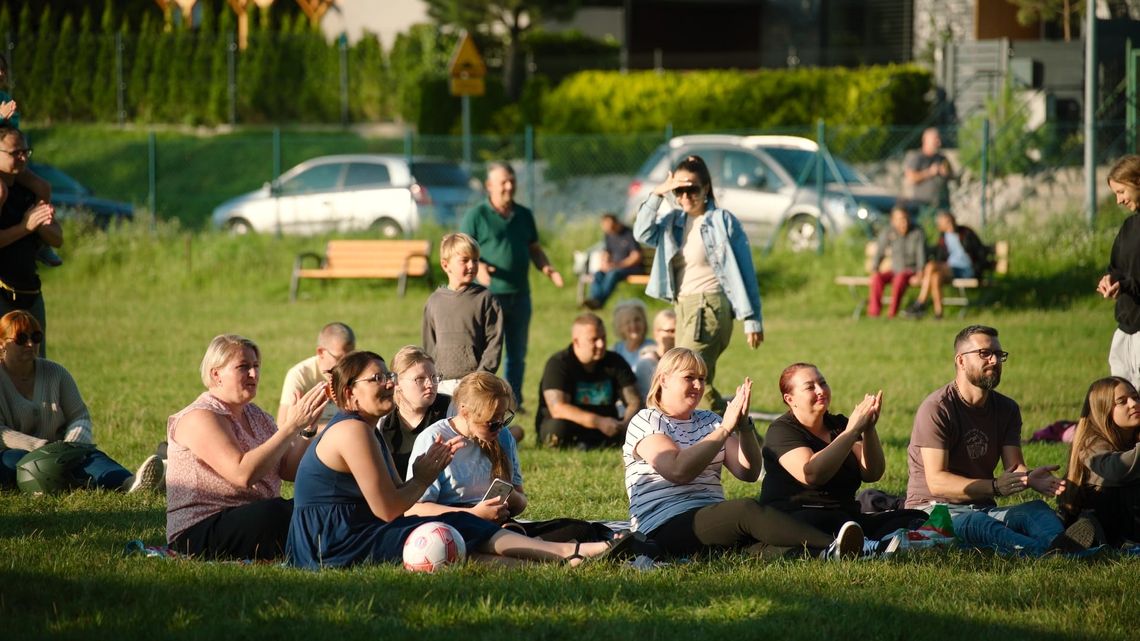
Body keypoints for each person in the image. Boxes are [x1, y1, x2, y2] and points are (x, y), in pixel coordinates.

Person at [285, 351, 619, 569]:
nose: (388, 383)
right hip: (332, 543)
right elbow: (389, 509)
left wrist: (418, 477)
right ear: (349, 394)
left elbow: (395, 500)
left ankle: (558, 561)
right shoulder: (352, 432)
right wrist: (423, 477)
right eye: (376, 379)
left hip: (351, 532)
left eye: (388, 375)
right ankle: (569, 553)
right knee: (454, 526)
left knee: (455, 537)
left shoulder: (368, 430)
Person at [624, 348, 863, 560]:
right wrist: (725, 429)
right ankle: (844, 546)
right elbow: (677, 470)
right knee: (745, 510)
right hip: (664, 525)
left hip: (712, 519)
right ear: (664, 380)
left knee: (760, 545)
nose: (698, 386)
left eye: (702, 379)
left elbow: (747, 472)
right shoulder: (647, 421)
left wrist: (744, 426)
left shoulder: (709, 420)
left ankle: (828, 555)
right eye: (689, 378)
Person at [905, 325, 1101, 555]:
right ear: (960, 361)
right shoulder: (937, 408)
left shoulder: (1006, 408)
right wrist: (995, 487)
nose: (994, 360)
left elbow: (1014, 466)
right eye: (984, 353)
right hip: (935, 513)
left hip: (981, 507)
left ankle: (1065, 548)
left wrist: (1029, 478)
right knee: (980, 525)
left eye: (998, 354)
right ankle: (1061, 552)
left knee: (1035, 511)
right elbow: (937, 482)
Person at [166, 334, 330, 560]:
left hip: (252, 517)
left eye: (256, 366)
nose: (253, 374)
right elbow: (243, 474)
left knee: (316, 503)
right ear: (216, 374)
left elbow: (288, 470)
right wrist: (291, 425)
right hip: (202, 530)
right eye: (243, 367)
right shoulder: (200, 417)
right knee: (283, 512)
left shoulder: (256, 415)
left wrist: (307, 430)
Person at [406, 371, 614, 543]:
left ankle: (540, 546)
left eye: (504, 418)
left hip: (498, 525)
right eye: (491, 422)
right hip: (455, 529)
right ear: (466, 412)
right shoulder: (434, 439)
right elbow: (415, 509)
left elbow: (521, 502)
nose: (500, 426)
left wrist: (510, 500)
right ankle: (543, 549)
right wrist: (475, 514)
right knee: (488, 538)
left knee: (581, 530)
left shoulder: (503, 437)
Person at [633, 155, 763, 411]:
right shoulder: (673, 222)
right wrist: (658, 193)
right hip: (684, 307)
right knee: (699, 379)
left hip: (709, 307)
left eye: (691, 189)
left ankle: (739, 438)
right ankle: (724, 441)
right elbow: (642, 232)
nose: (684, 197)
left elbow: (746, 271)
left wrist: (753, 319)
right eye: (678, 190)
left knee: (684, 375)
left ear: (706, 188)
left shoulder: (722, 221)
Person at [758, 363, 928, 540]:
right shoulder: (781, 430)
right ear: (789, 399)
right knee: (827, 521)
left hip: (846, 517)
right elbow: (811, 474)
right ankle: (865, 543)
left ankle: (867, 540)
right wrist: (852, 432)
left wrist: (869, 429)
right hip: (799, 517)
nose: (820, 390)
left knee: (916, 517)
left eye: (822, 383)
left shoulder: (839, 425)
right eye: (810, 387)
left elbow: (872, 473)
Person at [0, 310, 163, 492]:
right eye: (21, 339)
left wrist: (71, 446)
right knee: (9, 462)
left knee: (91, 458)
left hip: (61, 451)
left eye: (36, 337)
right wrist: (38, 447)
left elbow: (79, 416)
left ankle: (130, 483)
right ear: (1, 344)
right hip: (17, 451)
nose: (31, 344)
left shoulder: (57, 373)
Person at [460, 162, 563, 411]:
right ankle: (480, 400)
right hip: (487, 296)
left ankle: (513, 401)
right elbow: (462, 251)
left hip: (520, 295)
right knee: (487, 352)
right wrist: (479, 267)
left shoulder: (524, 215)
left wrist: (547, 268)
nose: (509, 186)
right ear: (489, 185)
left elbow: (534, 250)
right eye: (503, 182)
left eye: (512, 181)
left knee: (517, 353)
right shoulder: (477, 216)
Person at [537, 313, 641, 449]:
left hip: (607, 427)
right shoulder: (559, 364)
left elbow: (634, 401)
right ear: (576, 341)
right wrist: (598, 422)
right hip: (571, 427)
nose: (601, 344)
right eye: (594, 339)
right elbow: (558, 408)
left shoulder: (615, 362)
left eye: (603, 338)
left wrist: (625, 424)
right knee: (556, 428)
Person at [0, 126, 60, 355]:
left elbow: (58, 238)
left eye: (26, 151)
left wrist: (40, 226)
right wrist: (25, 227)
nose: (23, 157)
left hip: (30, 292)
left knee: (38, 366)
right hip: (3, 293)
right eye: (15, 153)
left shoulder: (30, 190)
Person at [1060, 377, 1140, 546]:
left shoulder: (1134, 435)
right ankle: (1089, 531)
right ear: (1103, 410)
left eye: (1136, 397)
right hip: (1104, 511)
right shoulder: (1090, 443)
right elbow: (1117, 470)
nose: (1133, 404)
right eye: (1122, 401)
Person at [422, 232, 503, 397]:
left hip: (475, 385)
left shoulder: (485, 299)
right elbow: (429, 345)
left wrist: (481, 377)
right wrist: (431, 376)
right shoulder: (434, 301)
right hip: (442, 384)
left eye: (475, 260)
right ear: (446, 265)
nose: (472, 265)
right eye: (464, 260)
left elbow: (494, 343)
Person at [375, 346, 452, 478]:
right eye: (420, 379)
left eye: (434, 377)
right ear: (396, 383)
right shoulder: (382, 421)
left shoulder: (450, 409)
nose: (430, 384)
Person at [1099, 155, 1140, 391]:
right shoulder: (1128, 227)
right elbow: (1116, 268)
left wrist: (1125, 285)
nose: (1118, 200)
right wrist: (1110, 280)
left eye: (1121, 191)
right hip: (1125, 328)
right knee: (1123, 399)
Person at [907, 210, 989, 319]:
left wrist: (980, 268)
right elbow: (939, 255)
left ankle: (921, 302)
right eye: (945, 222)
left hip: (967, 269)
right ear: (940, 226)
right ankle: (938, 314)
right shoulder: (943, 238)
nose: (949, 224)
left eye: (950, 220)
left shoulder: (966, 232)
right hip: (951, 269)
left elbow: (980, 251)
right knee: (935, 277)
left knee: (931, 266)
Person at [276, 322, 355, 431]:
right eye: (339, 358)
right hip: (308, 441)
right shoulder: (300, 375)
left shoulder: (358, 373)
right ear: (321, 352)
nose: (346, 365)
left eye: (351, 358)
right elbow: (283, 426)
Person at [867, 206, 925, 319]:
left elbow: (920, 253)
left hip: (910, 270)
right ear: (893, 221)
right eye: (900, 219)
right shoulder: (889, 231)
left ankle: (892, 314)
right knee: (877, 278)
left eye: (905, 218)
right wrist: (875, 268)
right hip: (895, 269)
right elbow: (880, 251)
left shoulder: (917, 232)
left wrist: (920, 271)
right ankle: (874, 313)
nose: (904, 222)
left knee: (900, 278)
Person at [583, 212, 644, 310]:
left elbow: (636, 256)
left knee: (613, 274)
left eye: (610, 227)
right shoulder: (608, 235)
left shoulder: (629, 234)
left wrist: (619, 265)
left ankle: (598, 302)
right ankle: (595, 299)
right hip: (614, 267)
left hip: (631, 268)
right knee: (598, 274)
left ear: (616, 224)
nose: (609, 230)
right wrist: (605, 263)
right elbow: (607, 252)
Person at [903, 127, 953, 213]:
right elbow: (910, 178)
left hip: (942, 204)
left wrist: (946, 173)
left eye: (939, 139)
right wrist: (929, 173)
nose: (939, 142)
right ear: (925, 140)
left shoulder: (942, 158)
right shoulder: (917, 157)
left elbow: (953, 176)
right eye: (936, 139)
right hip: (923, 205)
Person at [634, 309, 677, 401]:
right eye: (671, 331)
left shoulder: (681, 360)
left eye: (678, 330)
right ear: (656, 333)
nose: (675, 335)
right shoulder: (646, 364)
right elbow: (653, 398)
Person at [611, 299, 655, 368]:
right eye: (627, 322)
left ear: (644, 322)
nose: (633, 325)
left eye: (637, 320)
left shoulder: (652, 348)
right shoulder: (616, 350)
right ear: (620, 327)